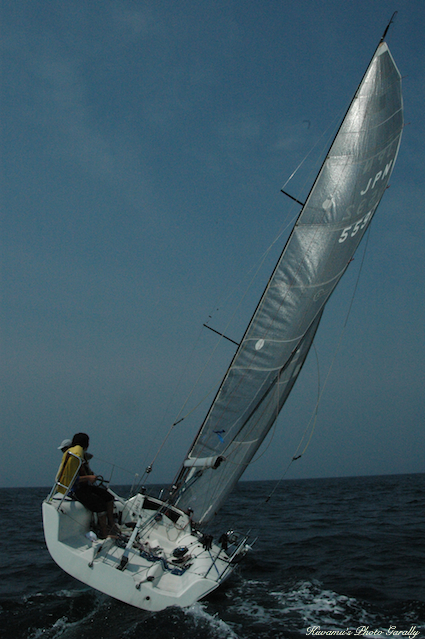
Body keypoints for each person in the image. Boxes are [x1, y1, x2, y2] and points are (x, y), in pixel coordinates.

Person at [56, 432, 117, 538]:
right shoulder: (74, 457)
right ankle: (104, 533)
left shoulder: (81, 456)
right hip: (76, 490)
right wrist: (89, 478)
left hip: (85, 487)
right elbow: (72, 480)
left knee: (109, 497)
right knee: (100, 506)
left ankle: (112, 525)